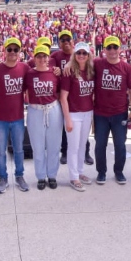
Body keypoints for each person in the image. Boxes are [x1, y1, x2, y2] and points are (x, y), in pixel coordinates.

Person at [0, 37, 31, 194]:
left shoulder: (24, 68)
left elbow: (44, 66)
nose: (12, 52)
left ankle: (19, 176)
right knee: (0, 151)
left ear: (20, 52)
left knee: (19, 150)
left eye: (15, 50)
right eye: (9, 49)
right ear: (4, 51)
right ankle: (3, 178)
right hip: (0, 119)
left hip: (17, 118)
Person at [92, 35, 131, 184]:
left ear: (120, 49)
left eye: (115, 47)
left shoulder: (126, 67)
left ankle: (119, 171)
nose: (112, 50)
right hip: (100, 113)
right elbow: (80, 62)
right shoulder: (97, 63)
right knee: (100, 145)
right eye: (109, 47)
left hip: (120, 113)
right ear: (104, 49)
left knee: (120, 145)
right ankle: (101, 172)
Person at [24, 45, 63, 190]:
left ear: (48, 58)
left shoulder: (55, 73)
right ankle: (40, 176)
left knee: (54, 145)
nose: (42, 59)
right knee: (38, 146)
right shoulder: (28, 74)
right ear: (34, 58)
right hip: (35, 110)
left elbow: (60, 94)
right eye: (39, 56)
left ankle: (52, 175)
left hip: (53, 109)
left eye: (45, 56)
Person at [60, 42, 95, 192]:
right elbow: (63, 97)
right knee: (73, 147)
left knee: (82, 145)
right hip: (74, 113)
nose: (81, 55)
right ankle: (73, 177)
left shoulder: (91, 71)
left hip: (87, 112)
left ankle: (80, 172)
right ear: (75, 55)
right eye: (79, 53)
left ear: (88, 56)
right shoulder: (69, 72)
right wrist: (67, 118)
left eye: (84, 53)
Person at [55, 30, 94, 166]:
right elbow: (44, 64)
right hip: (65, 97)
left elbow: (94, 61)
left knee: (82, 137)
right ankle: (65, 153)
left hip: (83, 104)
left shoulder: (87, 61)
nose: (66, 42)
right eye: (63, 40)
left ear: (73, 40)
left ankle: (85, 154)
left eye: (68, 39)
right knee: (70, 131)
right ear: (59, 42)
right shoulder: (56, 56)